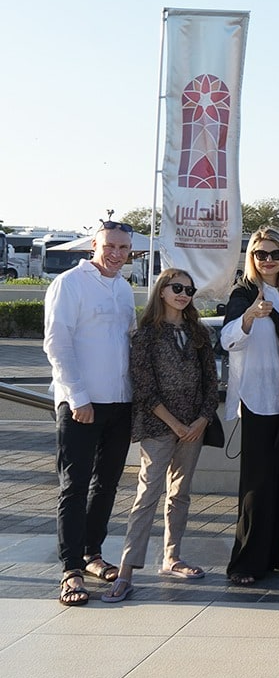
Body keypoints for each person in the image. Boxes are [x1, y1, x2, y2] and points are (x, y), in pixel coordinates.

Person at [105, 269, 219, 602]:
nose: (184, 294)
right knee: (148, 493)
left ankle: (172, 556)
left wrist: (201, 419)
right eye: (177, 288)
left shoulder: (198, 332)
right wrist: (176, 424)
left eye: (189, 289)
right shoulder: (146, 336)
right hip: (159, 426)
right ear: (162, 291)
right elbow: (144, 389)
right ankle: (126, 570)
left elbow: (211, 382)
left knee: (180, 493)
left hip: (194, 427)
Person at [44, 221, 138, 606]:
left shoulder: (124, 288)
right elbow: (57, 344)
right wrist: (78, 397)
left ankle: (92, 553)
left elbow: (130, 342)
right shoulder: (69, 284)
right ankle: (70, 570)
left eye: (124, 249)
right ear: (94, 247)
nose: (117, 254)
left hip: (120, 402)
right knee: (74, 485)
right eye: (110, 246)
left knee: (107, 484)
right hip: (80, 403)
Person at [221, 226, 279, 586]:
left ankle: (273, 555)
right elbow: (228, 339)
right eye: (262, 254)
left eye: (276, 254)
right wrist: (249, 317)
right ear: (252, 258)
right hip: (257, 400)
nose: (269, 260)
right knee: (257, 487)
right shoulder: (243, 294)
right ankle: (245, 563)